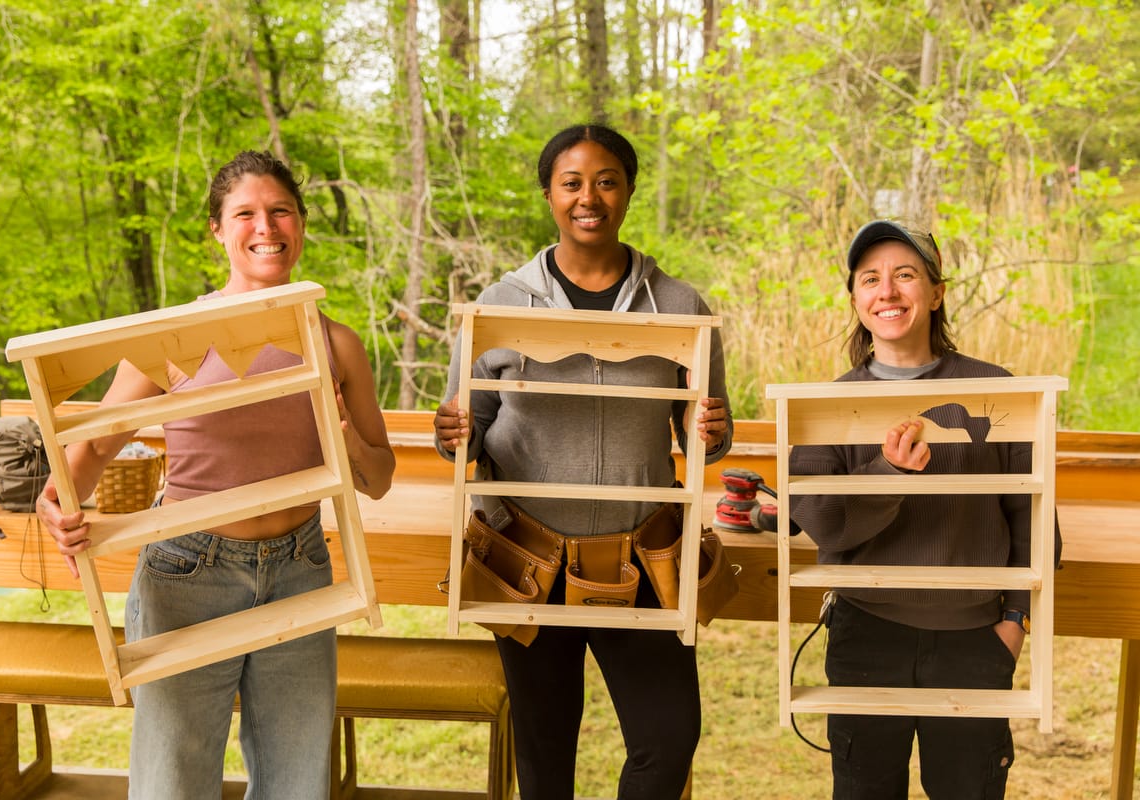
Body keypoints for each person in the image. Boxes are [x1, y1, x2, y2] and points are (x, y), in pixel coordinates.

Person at [35, 150, 395, 800]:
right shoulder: (170, 339)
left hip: (300, 570)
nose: (267, 226)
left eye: (281, 210)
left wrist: (345, 440)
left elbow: (379, 477)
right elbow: (93, 450)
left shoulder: (335, 343)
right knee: (174, 780)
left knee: (297, 781)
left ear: (302, 223)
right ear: (218, 230)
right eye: (246, 213)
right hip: (188, 577)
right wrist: (58, 501)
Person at [433, 124, 733, 800]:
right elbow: (467, 431)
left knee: (669, 738)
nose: (588, 197)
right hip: (529, 564)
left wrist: (712, 431)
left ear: (627, 191)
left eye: (606, 181)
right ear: (549, 195)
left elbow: (707, 435)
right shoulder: (499, 306)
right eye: (572, 183)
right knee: (545, 762)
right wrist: (450, 432)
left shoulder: (681, 307)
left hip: (643, 559)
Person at [789, 219, 1062, 800]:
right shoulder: (825, 405)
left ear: (936, 292)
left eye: (905, 275)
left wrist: (1014, 623)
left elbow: (1036, 523)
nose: (887, 292)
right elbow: (821, 520)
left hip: (975, 644)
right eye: (870, 279)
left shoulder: (1001, 395)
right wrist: (890, 473)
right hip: (866, 635)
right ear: (857, 298)